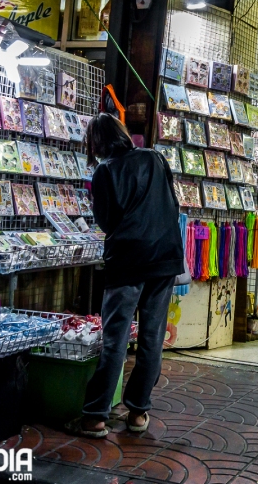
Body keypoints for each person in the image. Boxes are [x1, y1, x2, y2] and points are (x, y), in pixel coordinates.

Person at [66, 113, 184, 438]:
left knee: (115, 340)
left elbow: (106, 222)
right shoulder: (155, 158)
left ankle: (95, 416)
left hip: (128, 261)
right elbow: (172, 204)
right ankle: (137, 412)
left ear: (97, 143)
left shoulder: (104, 171)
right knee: (151, 339)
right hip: (164, 258)